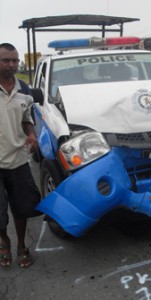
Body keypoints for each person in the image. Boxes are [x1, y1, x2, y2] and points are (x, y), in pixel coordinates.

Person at [0, 43, 41, 268]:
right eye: (6, 60)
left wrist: (32, 134)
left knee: (22, 207)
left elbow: (27, 118)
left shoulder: (24, 88)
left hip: (17, 159)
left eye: (15, 60)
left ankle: (21, 245)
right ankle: (4, 242)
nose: (12, 64)